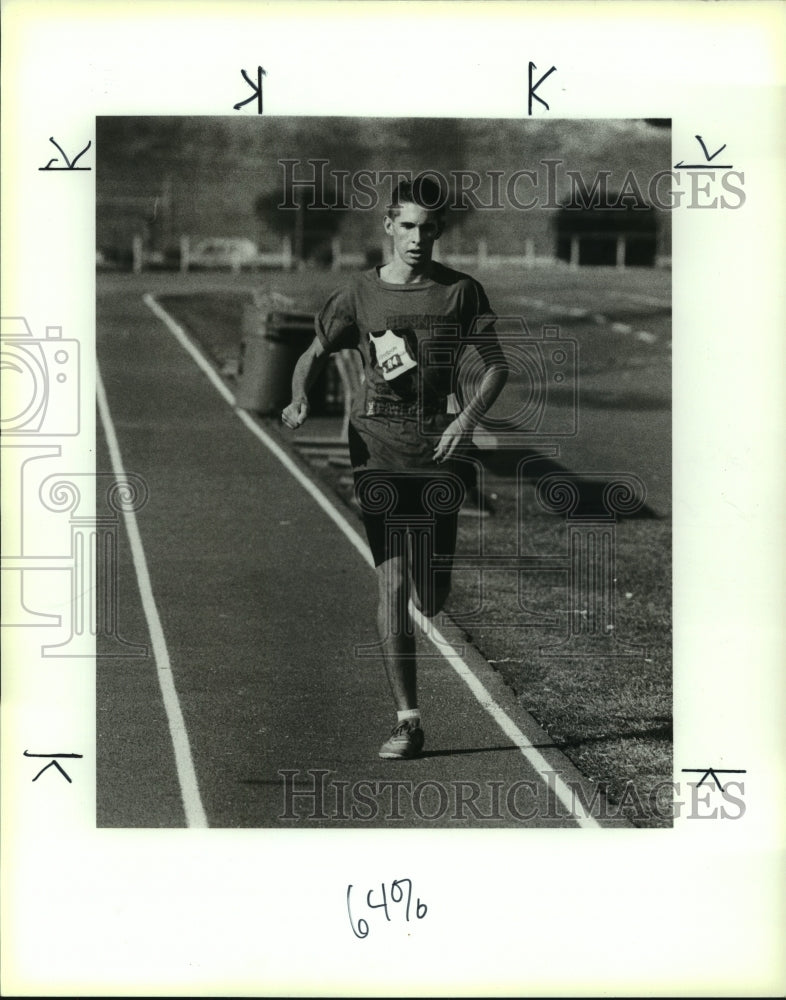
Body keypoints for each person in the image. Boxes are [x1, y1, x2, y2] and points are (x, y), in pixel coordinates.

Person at [282, 176, 508, 760]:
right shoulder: (359, 293)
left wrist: (465, 421)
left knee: (430, 596)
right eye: (406, 226)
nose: (416, 238)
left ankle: (436, 572)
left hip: (440, 453)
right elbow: (312, 352)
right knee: (392, 584)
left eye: (427, 229)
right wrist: (298, 397)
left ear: (439, 232)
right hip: (376, 450)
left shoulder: (461, 292)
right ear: (388, 226)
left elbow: (496, 368)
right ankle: (408, 721)